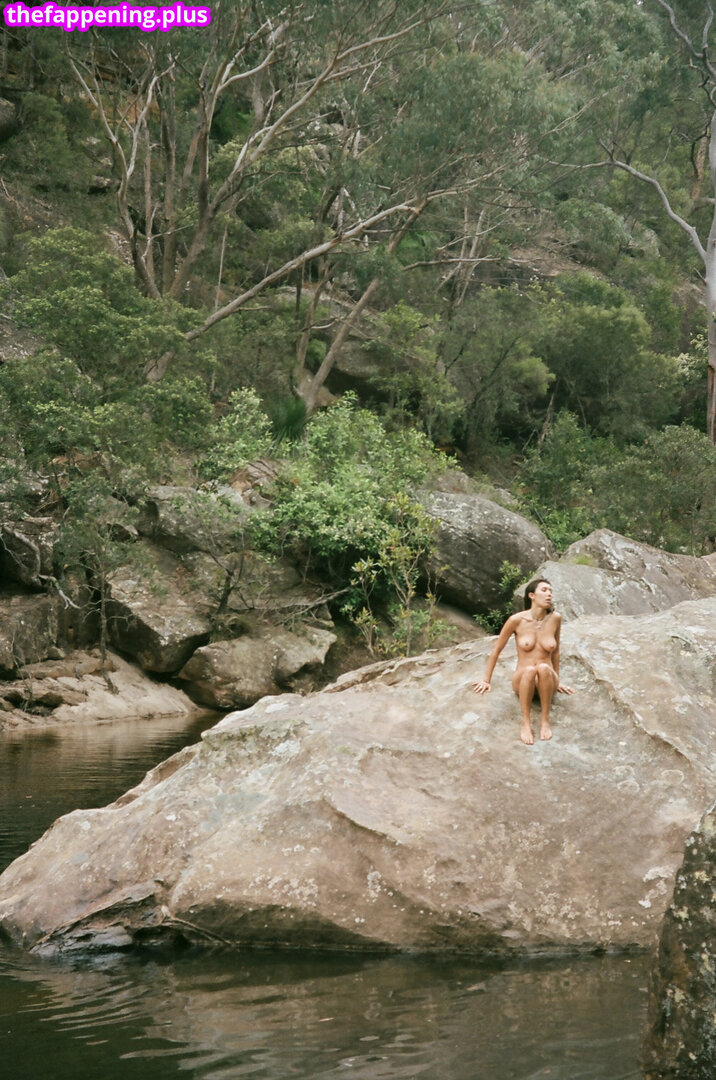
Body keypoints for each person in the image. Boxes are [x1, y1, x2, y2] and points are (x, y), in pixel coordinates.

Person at [472, 578, 575, 745]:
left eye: (550, 591)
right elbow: (496, 650)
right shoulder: (516, 620)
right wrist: (486, 680)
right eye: (544, 590)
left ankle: (545, 720)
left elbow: (555, 652)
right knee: (530, 670)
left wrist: (556, 679)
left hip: (546, 677)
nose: (549, 594)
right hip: (523, 679)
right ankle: (525, 723)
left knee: (543, 667)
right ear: (532, 595)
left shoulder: (555, 618)